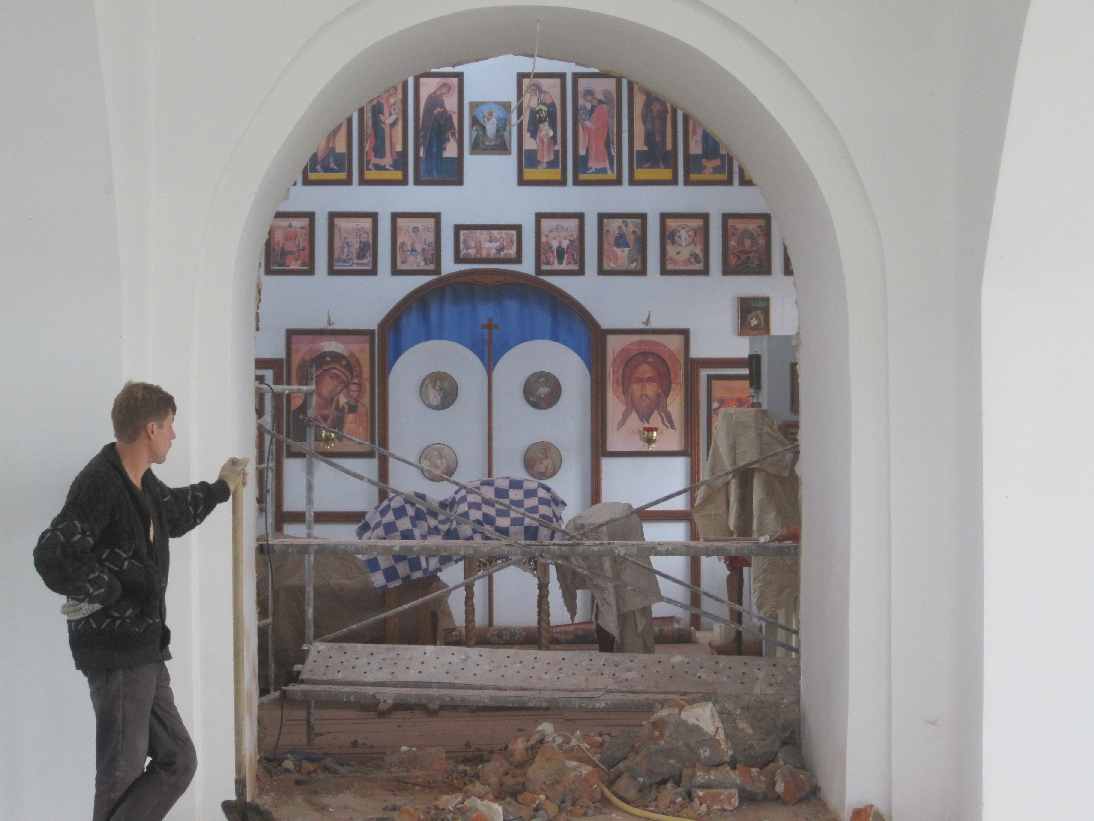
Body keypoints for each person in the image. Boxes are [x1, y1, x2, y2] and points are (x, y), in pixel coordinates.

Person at [32, 381, 247, 821]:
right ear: (151, 429)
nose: (173, 435)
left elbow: (175, 513)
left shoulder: (142, 483)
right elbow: (53, 554)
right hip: (116, 654)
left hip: (145, 649)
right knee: (120, 776)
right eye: (169, 425)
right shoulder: (99, 484)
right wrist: (108, 589)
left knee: (177, 760)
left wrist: (221, 488)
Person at [289, 344, 363, 443]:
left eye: (342, 382)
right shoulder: (294, 418)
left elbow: (330, 446)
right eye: (333, 377)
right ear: (316, 376)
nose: (337, 384)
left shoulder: (343, 419)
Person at [616, 351, 676, 431]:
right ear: (629, 389)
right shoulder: (623, 428)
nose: (643, 389)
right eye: (637, 381)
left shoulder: (667, 428)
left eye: (650, 381)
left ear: (660, 388)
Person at [419, 82, 456, 180]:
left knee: (438, 150)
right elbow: (427, 113)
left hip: (438, 128)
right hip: (430, 128)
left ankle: (437, 171)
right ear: (442, 87)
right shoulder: (430, 97)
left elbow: (443, 113)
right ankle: (430, 172)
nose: (446, 92)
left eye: (448, 91)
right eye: (446, 90)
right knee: (432, 150)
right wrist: (434, 112)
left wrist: (448, 112)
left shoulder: (441, 99)